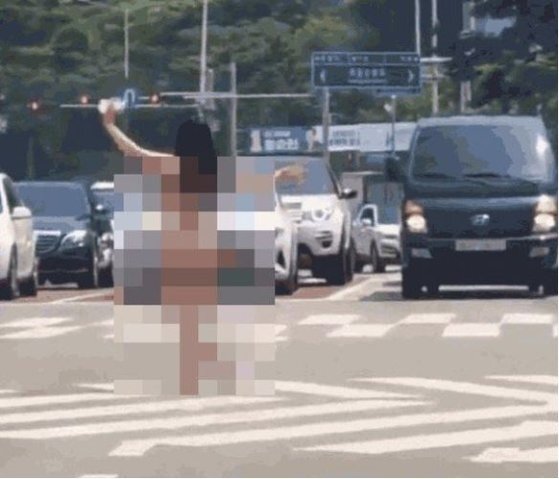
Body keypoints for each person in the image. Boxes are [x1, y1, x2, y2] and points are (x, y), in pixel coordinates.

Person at [99, 99, 304, 395]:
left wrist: (110, 125)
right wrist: (280, 176)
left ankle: (192, 366)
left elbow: (134, 152)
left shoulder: (171, 167)